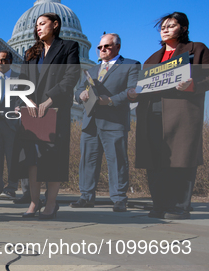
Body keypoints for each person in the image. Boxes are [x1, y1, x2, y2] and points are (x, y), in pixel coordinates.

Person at [128, 12, 209, 220]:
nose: (164, 29)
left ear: (183, 28)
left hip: (182, 111)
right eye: (162, 26)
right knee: (155, 159)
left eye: (170, 26)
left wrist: (193, 85)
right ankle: (159, 204)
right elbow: (143, 86)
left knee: (181, 158)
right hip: (151, 111)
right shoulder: (151, 59)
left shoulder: (197, 49)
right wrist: (135, 93)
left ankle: (180, 207)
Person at [17, 12, 80, 219]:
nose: (38, 27)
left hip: (54, 110)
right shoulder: (30, 53)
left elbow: (71, 76)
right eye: (36, 25)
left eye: (42, 23)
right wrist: (24, 103)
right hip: (32, 112)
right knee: (33, 159)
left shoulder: (68, 47)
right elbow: (21, 83)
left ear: (55, 24)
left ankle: (51, 203)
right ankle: (34, 203)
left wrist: (49, 99)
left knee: (53, 158)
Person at [72, 34, 141, 212]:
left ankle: (119, 199)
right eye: (100, 47)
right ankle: (86, 196)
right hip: (90, 121)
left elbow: (132, 90)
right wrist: (81, 95)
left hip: (114, 121)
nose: (102, 50)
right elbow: (80, 88)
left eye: (107, 46)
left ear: (118, 47)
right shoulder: (92, 70)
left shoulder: (130, 65)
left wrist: (109, 100)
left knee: (117, 160)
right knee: (87, 161)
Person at [0, 51, 23, 201]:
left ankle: (12, 188)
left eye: (3, 60)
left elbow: (23, 98)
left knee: (12, 158)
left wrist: (19, 109)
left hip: (11, 125)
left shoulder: (19, 79)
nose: (0, 63)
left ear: (10, 61)